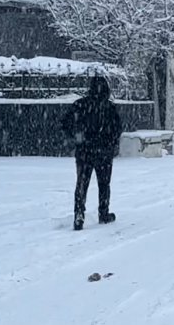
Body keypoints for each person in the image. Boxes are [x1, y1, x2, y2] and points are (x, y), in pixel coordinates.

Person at [62, 76, 123, 231]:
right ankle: (103, 212)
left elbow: (66, 123)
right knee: (104, 184)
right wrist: (111, 143)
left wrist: (77, 137)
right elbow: (117, 129)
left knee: (82, 183)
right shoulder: (109, 108)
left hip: (84, 151)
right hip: (104, 152)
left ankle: (79, 215)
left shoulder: (80, 105)